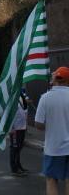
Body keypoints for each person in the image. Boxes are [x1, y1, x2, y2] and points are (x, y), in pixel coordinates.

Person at [35, 66, 69, 195]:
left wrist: (51, 124)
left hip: (54, 148)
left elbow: (38, 124)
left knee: (51, 180)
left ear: (55, 79)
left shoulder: (45, 98)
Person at [10, 88, 30, 176]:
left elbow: (24, 107)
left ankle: (18, 165)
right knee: (14, 148)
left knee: (19, 147)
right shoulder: (12, 98)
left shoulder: (21, 95)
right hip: (15, 128)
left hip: (22, 126)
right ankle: (14, 169)